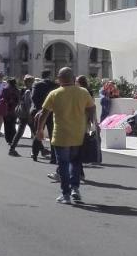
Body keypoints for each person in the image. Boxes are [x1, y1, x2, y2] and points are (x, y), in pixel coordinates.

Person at [40, 68, 96, 204]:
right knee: (75, 163)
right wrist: (90, 121)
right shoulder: (83, 92)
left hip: (61, 135)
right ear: (73, 78)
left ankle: (65, 194)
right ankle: (75, 189)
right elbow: (92, 108)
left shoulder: (54, 93)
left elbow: (44, 113)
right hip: (78, 134)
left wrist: (39, 129)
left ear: (59, 79)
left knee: (63, 165)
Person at [30, 70, 58, 162]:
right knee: (52, 135)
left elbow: (33, 97)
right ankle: (54, 157)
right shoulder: (55, 85)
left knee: (39, 131)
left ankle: (34, 154)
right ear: (49, 75)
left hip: (40, 112)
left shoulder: (37, 85)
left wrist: (40, 108)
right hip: (52, 112)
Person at [8, 74, 34, 157]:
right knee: (34, 132)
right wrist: (29, 115)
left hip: (22, 114)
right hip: (27, 114)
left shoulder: (22, 90)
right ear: (29, 82)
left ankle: (12, 149)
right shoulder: (28, 91)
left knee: (21, 132)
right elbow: (27, 104)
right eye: (32, 81)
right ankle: (40, 149)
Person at [0, 77, 21, 149]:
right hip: (14, 110)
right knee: (13, 125)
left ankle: (8, 140)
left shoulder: (5, 89)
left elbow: (0, 97)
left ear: (9, 83)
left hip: (7, 109)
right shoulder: (17, 90)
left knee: (7, 125)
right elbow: (19, 99)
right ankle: (13, 139)